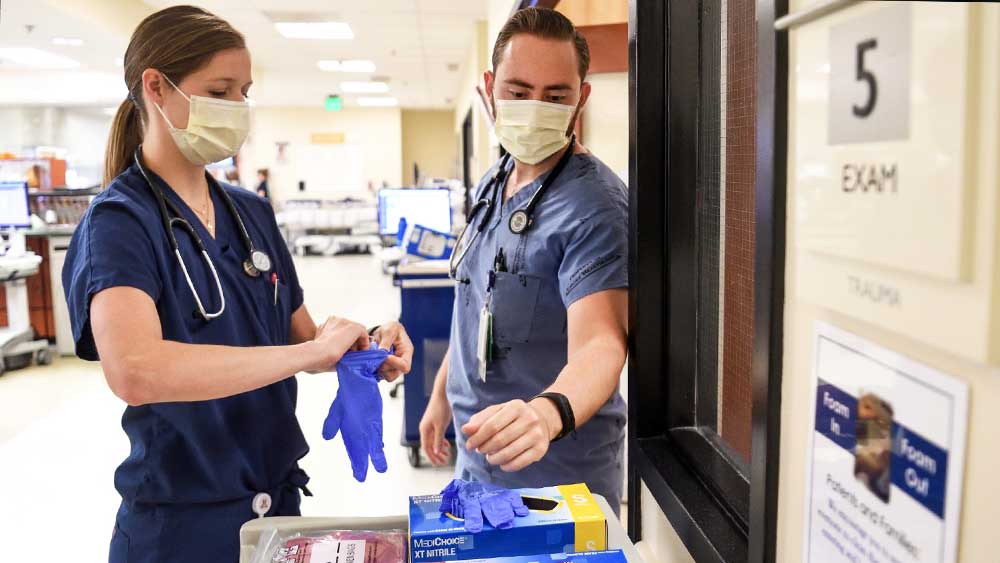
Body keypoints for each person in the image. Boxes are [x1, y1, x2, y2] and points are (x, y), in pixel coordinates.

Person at [62, 6, 412, 562]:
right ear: (156, 86)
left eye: (243, 92)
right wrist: (304, 354)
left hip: (277, 508)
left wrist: (361, 346)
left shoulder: (250, 213)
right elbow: (135, 371)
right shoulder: (120, 222)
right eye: (220, 90)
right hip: (181, 524)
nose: (237, 108)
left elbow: (300, 337)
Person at [419, 8, 628, 511]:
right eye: (517, 92)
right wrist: (441, 394)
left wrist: (549, 413)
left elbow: (602, 341)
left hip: (556, 478)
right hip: (478, 457)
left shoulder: (595, 208)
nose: (535, 108)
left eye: (556, 96)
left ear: (583, 96)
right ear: (490, 87)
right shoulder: (496, 180)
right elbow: (478, 299)